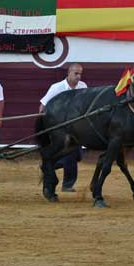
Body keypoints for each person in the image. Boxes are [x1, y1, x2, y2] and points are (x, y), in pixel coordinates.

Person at [39, 63, 87, 192]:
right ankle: (68, 184)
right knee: (71, 154)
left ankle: (48, 165)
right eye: (76, 73)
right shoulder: (57, 88)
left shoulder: (83, 87)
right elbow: (43, 106)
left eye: (80, 74)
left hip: (76, 128)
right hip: (59, 127)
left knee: (77, 155)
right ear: (69, 73)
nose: (78, 76)